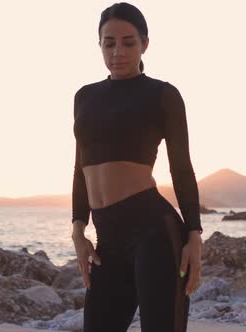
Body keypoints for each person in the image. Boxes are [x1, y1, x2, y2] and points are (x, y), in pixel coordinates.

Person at [71, 3, 203, 332]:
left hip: (154, 233)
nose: (118, 51)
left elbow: (182, 169)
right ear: (99, 44)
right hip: (107, 239)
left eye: (129, 42)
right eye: (109, 42)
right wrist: (78, 228)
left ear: (145, 43)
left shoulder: (163, 95)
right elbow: (79, 168)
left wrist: (195, 238)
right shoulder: (84, 97)